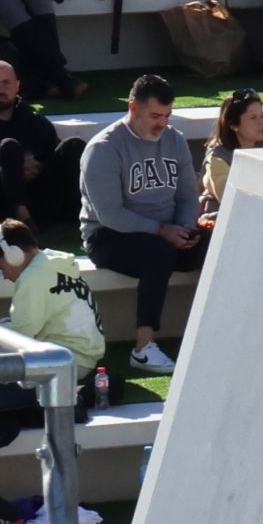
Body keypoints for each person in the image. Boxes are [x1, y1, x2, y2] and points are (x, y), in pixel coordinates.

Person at [79, 74, 204, 372]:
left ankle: (216, 331)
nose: (162, 123)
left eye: (167, 115)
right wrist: (162, 231)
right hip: (109, 236)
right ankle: (143, 347)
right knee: (157, 252)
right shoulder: (103, 149)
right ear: (133, 108)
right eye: (155, 115)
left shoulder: (175, 140)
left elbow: (188, 195)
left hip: (168, 232)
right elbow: (111, 215)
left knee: (217, 242)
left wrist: (185, 228)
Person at [0, 59, 85, 227]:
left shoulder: (34, 121)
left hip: (38, 196)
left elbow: (53, 155)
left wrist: (37, 166)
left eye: (6, 83)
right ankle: (24, 219)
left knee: (74, 146)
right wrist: (9, 165)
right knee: (8, 147)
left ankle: (81, 214)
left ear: (17, 86)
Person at [0, 218, 108, 382]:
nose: (4, 276)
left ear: (13, 255)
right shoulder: (55, 265)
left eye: (2, 268)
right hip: (84, 360)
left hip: (62, 363)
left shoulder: (32, 277)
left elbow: (22, 335)